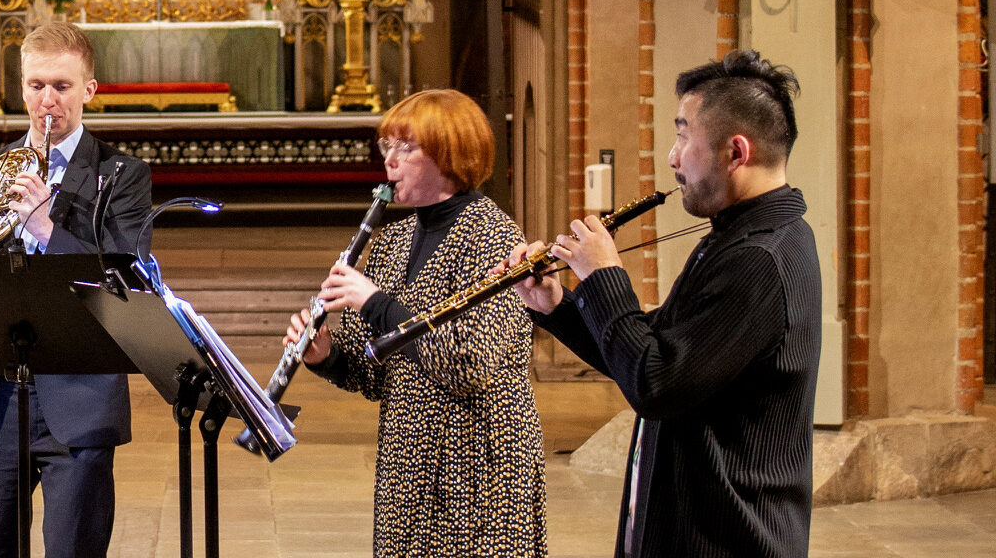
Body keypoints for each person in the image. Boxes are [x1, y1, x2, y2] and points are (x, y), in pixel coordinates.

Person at [508, 49, 820, 558]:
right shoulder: (743, 238)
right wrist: (557, 304)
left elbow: (655, 383)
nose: (673, 157)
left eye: (682, 135)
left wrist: (606, 275)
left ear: (735, 152)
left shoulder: (760, 257)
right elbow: (657, 351)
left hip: (726, 536)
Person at [286, 89, 546, 558]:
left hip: (480, 470)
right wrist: (327, 355)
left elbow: (471, 363)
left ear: (451, 154)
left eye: (407, 148)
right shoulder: (394, 241)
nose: (390, 161)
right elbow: (375, 373)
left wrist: (376, 303)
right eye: (387, 146)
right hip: (409, 469)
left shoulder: (493, 236)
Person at [0, 21, 153, 558]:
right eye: (36, 85)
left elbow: (127, 280)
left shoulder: (123, 175)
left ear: (89, 90)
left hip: (80, 400)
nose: (48, 102)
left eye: (62, 87)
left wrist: (46, 229)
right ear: (21, 87)